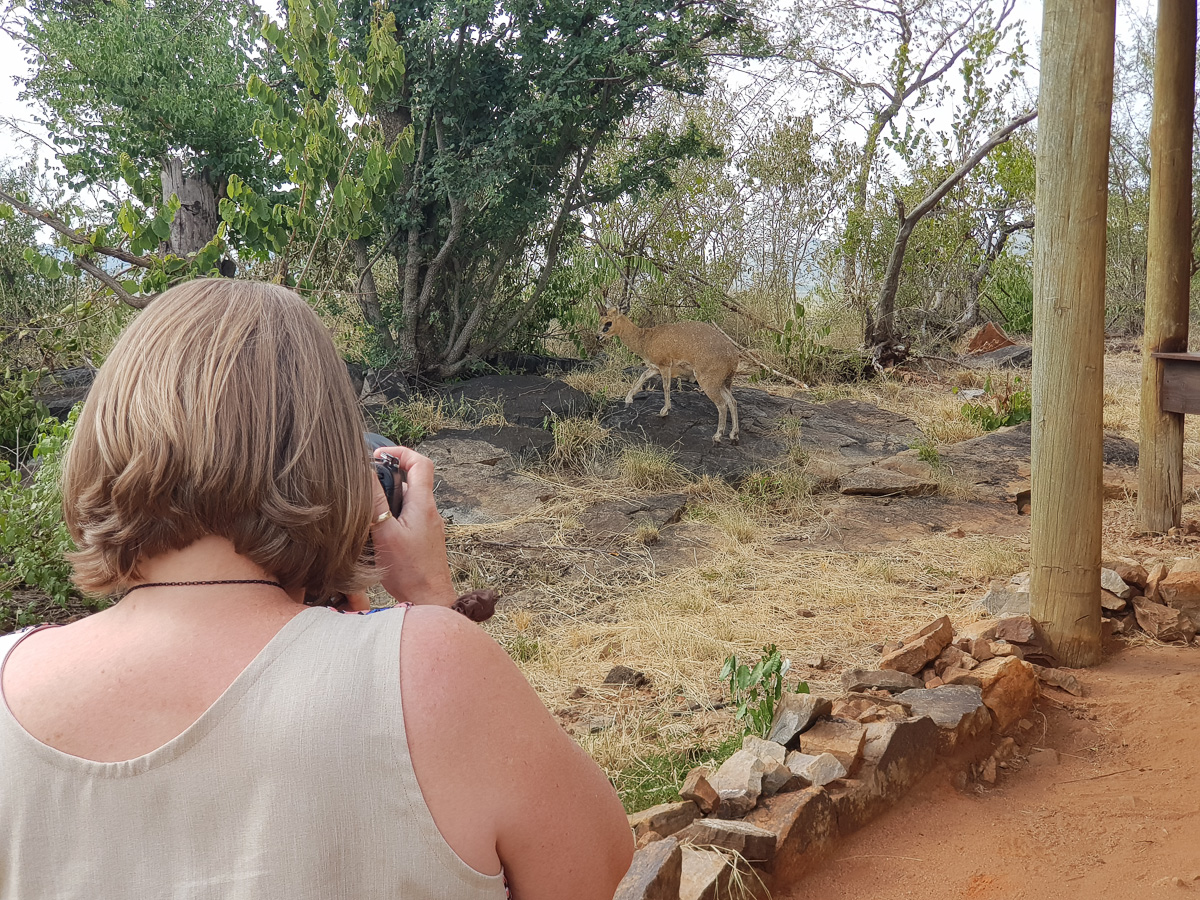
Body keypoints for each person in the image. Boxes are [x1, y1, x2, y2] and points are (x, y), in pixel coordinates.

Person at [0, 280, 633, 899]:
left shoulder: (8, 675)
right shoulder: (438, 671)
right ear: (331, 461)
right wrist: (427, 601)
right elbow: (599, 872)